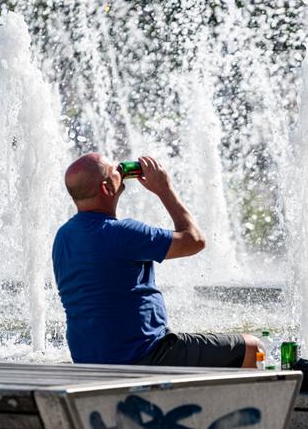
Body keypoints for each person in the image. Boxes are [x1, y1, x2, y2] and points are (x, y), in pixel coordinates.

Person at [52, 153, 259, 368]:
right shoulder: (123, 233)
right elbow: (195, 240)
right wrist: (164, 188)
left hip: (89, 360)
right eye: (114, 169)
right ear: (107, 188)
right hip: (144, 355)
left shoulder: (63, 236)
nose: (120, 168)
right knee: (253, 348)